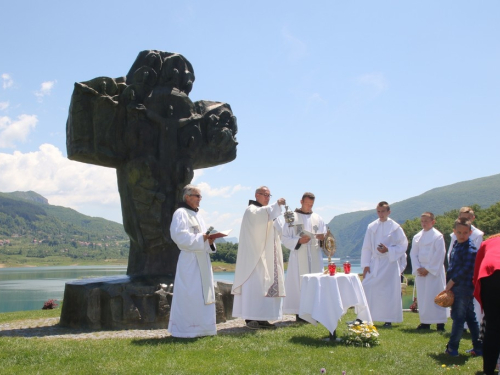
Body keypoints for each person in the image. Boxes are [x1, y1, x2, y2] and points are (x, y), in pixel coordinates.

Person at [232, 186, 286, 329]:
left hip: (269, 255)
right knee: (255, 286)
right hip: (255, 257)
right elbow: (261, 216)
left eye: (269, 195)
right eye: (265, 195)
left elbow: (280, 229)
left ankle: (263, 318)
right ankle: (251, 318)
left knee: (266, 285)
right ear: (257, 195)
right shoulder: (252, 210)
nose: (267, 198)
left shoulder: (268, 212)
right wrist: (276, 206)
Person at [168, 184, 217, 338]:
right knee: (190, 294)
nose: (200, 199)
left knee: (203, 294)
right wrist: (202, 238)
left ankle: (203, 329)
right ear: (187, 197)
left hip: (202, 259)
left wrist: (210, 241)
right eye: (197, 196)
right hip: (189, 260)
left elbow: (203, 238)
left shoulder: (197, 216)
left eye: (200, 196)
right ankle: (186, 330)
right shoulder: (180, 213)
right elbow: (179, 236)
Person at [361, 201, 408, 327]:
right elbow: (366, 247)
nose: (380, 214)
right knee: (367, 286)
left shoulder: (395, 227)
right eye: (378, 211)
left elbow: (403, 245)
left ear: (388, 212)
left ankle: (389, 318)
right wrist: (365, 264)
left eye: (383, 211)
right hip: (375, 262)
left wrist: (389, 250)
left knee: (389, 291)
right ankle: (367, 316)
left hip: (389, 263)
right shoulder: (371, 226)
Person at [281, 192, 327, 320]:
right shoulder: (292, 218)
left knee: (316, 281)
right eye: (307, 204)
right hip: (298, 256)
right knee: (299, 282)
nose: (309, 207)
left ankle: (316, 311)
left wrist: (322, 238)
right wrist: (298, 241)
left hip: (315, 255)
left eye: (311, 205)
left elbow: (325, 237)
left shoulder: (318, 218)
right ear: (301, 202)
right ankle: (300, 313)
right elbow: (284, 238)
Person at [444, 217, 482, 357]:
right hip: (457, 286)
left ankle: (452, 348)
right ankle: (479, 347)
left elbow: (465, 269)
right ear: (454, 232)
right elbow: (453, 265)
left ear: (470, 233)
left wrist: (451, 283)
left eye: (465, 232)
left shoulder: (471, 249)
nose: (462, 235)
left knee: (458, 317)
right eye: (459, 232)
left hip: (463, 287)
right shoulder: (456, 244)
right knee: (470, 317)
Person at [447, 207, 484, 331]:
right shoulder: (455, 235)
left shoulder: (477, 235)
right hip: (456, 274)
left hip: (468, 276)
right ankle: (475, 339)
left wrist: (453, 278)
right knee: (465, 311)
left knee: (467, 309)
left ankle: (454, 344)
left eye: (467, 218)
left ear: (472, 218)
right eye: (461, 217)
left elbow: (474, 258)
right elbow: (451, 253)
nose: (464, 219)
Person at [410, 212, 448, 331]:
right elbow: (413, 254)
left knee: (436, 296)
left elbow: (440, 254)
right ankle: (425, 322)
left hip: (433, 272)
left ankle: (440, 323)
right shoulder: (417, 236)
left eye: (426, 221)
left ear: (433, 222)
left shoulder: (438, 236)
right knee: (424, 297)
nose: (424, 223)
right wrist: (418, 268)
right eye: (422, 221)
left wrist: (428, 269)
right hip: (421, 271)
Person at [473, 234, 500, 374]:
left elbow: (477, 271)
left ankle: (488, 370)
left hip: (489, 277)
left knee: (492, 326)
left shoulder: (488, 242)